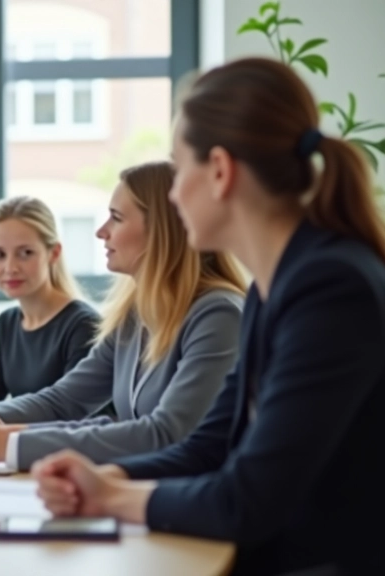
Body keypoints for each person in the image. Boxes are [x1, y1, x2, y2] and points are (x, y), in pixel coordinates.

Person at [33, 57, 385, 576]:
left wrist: (110, 497)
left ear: (219, 171)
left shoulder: (329, 289)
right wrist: (103, 475)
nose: (174, 195)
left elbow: (247, 499)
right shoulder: (278, 285)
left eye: (180, 169)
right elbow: (207, 446)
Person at [0, 161, 246, 471]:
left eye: (116, 218)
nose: (101, 232)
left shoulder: (218, 315)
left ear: (160, 231)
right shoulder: (134, 316)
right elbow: (64, 400)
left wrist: (7, 443)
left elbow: (166, 434)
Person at [0, 196, 98, 406]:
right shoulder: (8, 322)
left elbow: (69, 410)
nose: (10, 268)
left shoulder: (82, 325)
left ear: (53, 253)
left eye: (25, 253)